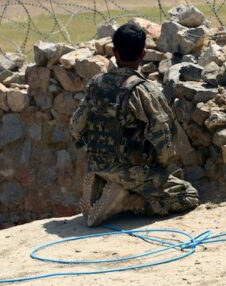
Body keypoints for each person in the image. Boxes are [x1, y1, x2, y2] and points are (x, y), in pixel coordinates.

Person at [70, 22, 199, 227]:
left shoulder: (96, 84)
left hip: (97, 164)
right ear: (143, 54)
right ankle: (127, 201)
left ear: (115, 52)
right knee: (188, 195)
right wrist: (161, 167)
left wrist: (93, 151)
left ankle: (104, 183)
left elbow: (76, 126)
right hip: (132, 171)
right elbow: (163, 140)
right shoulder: (144, 90)